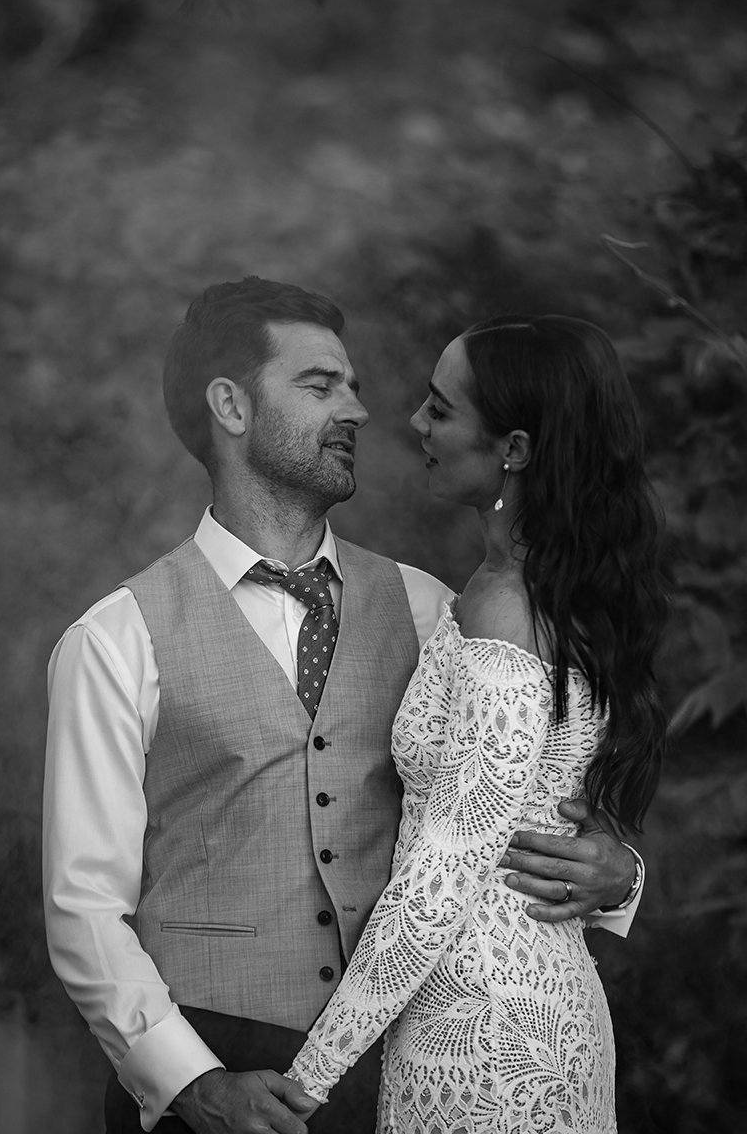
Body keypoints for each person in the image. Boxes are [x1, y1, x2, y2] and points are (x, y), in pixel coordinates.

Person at [43, 282, 645, 1134]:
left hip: (398, 1068)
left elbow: (524, 800)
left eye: (354, 385)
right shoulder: (115, 639)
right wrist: (188, 1084)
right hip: (214, 1069)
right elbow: (83, 907)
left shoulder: (437, 609)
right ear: (232, 407)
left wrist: (618, 877)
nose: (359, 409)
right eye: (321, 386)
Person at [285, 315, 668, 1133]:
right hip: (505, 1004)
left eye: (440, 408)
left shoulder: (507, 608)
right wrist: (624, 876)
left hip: (491, 1035)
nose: (416, 424)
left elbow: (440, 879)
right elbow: (549, 810)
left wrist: (306, 1082)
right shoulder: (527, 588)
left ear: (515, 450)